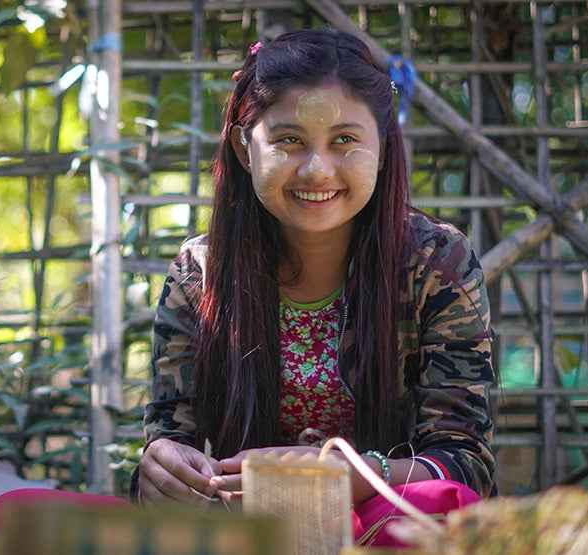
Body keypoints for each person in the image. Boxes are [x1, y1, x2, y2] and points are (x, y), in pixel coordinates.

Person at [133, 28, 496, 546]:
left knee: (431, 512)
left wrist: (352, 476)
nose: (317, 169)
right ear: (243, 148)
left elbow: (465, 465)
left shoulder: (437, 262)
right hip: (245, 537)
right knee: (19, 516)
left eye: (345, 140)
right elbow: (170, 443)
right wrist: (162, 471)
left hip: (382, 529)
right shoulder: (200, 273)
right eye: (289, 141)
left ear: (383, 147)